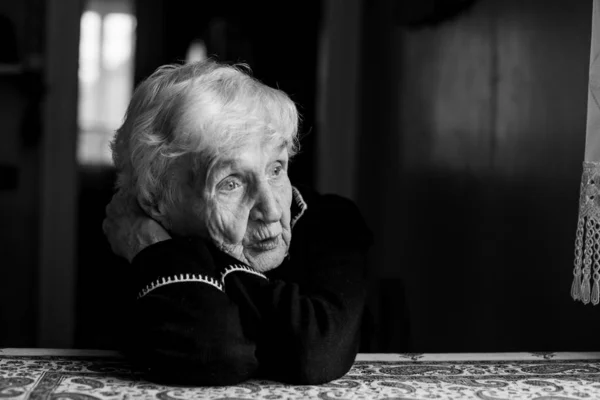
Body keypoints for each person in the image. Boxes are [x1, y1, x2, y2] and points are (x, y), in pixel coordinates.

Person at [102, 59, 373, 386]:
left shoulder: (332, 223)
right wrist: (159, 255)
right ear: (156, 200)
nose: (271, 210)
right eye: (231, 183)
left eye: (275, 169)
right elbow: (216, 353)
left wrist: (159, 249)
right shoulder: (126, 236)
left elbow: (317, 353)